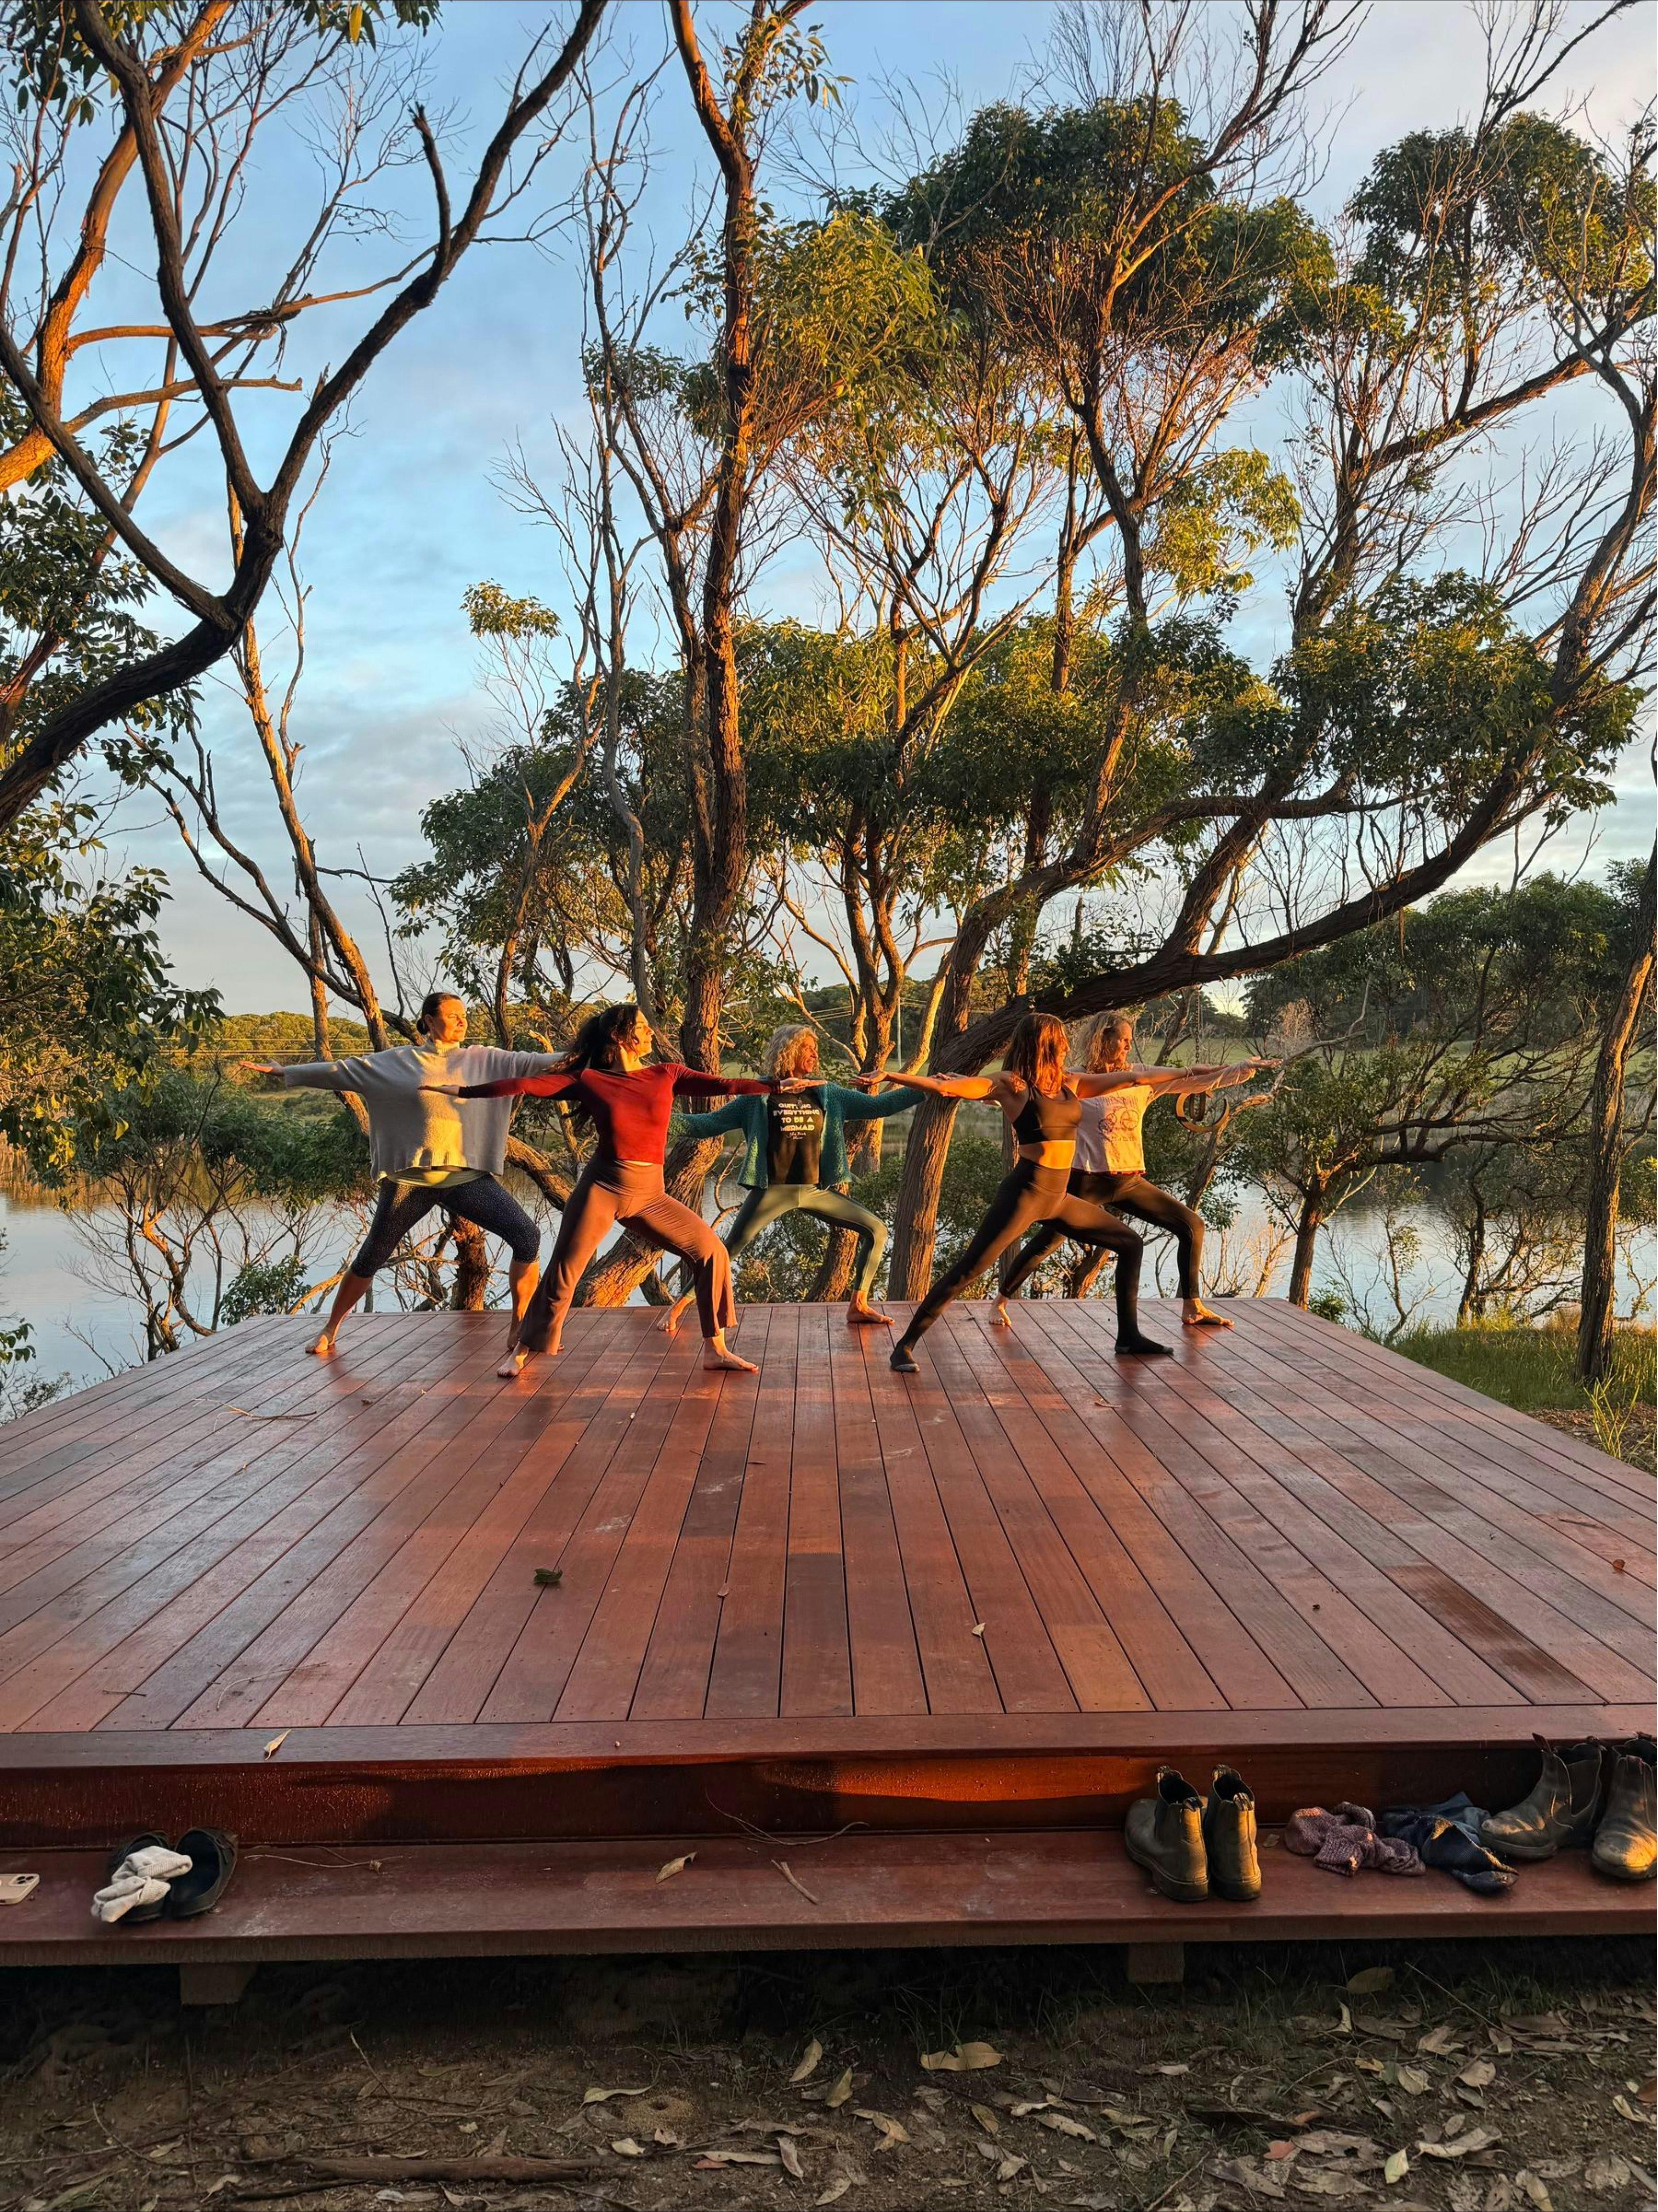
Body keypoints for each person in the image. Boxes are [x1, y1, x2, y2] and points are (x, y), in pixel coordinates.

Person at [438, 1003, 798, 1378]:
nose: (650, 1032)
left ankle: (716, 1349)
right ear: (619, 1034)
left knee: (711, 1252)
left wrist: (774, 1086)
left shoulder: (666, 1074)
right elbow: (526, 1085)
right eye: (642, 1026)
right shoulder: (591, 1081)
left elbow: (724, 1084)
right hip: (603, 1188)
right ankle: (523, 1351)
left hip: (651, 1195)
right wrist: (464, 1090)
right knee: (565, 1269)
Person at [239, 991, 561, 1360]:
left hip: (465, 1179)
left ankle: (518, 1324)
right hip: (411, 1183)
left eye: (464, 1015)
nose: (462, 1021)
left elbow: (538, 1062)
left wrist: (592, 1056)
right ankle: (330, 1329)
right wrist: (287, 1072)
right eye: (452, 1015)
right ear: (427, 1020)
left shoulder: (485, 1060)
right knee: (372, 1256)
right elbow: (341, 1071)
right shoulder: (397, 1062)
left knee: (527, 1235)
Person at [877, 1011, 1170, 1375]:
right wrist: (890, 1075)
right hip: (1027, 1192)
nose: (1066, 1045)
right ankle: (904, 1346)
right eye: (1060, 1039)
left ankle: (1128, 1337)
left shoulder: (1070, 1083)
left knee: (1130, 1243)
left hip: (1059, 1197)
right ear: (1043, 1044)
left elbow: (1136, 1077)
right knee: (970, 1269)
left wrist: (1197, 1075)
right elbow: (948, 1088)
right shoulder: (1012, 1085)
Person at [994, 1013, 1272, 1330]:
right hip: (1086, 1180)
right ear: (1104, 1039)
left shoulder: (1140, 1076)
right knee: (1046, 1242)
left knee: (1191, 1225)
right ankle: (1001, 1301)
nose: (1129, 1045)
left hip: (1128, 1181)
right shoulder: (1073, 1080)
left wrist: (1244, 1070)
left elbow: (1196, 1080)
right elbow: (1027, 1088)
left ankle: (1193, 1307)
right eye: (1124, 1039)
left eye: (1130, 1040)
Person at [657, 1023, 924, 1336]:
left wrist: (930, 1087)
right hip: (773, 1192)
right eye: (807, 1048)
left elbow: (881, 1107)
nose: (814, 1054)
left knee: (877, 1230)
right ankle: (677, 1308)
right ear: (789, 1051)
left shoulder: (828, 1094)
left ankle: (859, 1305)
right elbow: (706, 1125)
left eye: (815, 1049)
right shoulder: (757, 1096)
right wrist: (651, 1116)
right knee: (726, 1251)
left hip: (814, 1191)